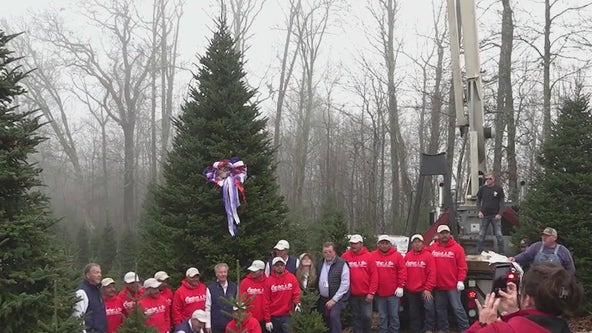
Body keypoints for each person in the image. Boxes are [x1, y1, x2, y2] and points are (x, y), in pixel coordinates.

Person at [466, 263, 583, 332]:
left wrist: (483, 324)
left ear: (527, 298)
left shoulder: (501, 330)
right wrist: (516, 313)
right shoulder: (562, 327)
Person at [429, 225, 470, 332]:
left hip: (453, 286)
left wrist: (460, 280)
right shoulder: (432, 248)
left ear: (450, 234)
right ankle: (444, 329)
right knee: (440, 309)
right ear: (437, 235)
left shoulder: (457, 248)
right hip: (438, 286)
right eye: (442, 233)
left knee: (457, 308)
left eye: (446, 233)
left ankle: (465, 329)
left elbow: (462, 267)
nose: (444, 235)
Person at [341, 234, 378, 333]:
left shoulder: (369, 257)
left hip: (366, 294)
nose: (354, 246)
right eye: (352, 244)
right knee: (355, 317)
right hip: (352, 294)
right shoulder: (345, 256)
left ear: (361, 244)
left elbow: (374, 276)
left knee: (366, 316)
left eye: (356, 244)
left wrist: (371, 292)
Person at [371, 235, 407, 333]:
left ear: (390, 244)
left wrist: (400, 286)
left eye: (386, 243)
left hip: (393, 293)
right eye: (382, 243)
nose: (384, 245)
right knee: (382, 316)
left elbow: (402, 272)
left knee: (394, 315)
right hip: (379, 293)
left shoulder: (397, 256)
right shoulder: (372, 256)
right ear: (378, 244)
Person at [404, 234, 436, 333]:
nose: (417, 244)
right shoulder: (407, 256)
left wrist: (428, 289)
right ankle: (415, 329)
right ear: (412, 244)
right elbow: (403, 272)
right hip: (411, 290)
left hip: (424, 290)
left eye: (419, 242)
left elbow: (432, 273)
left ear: (422, 243)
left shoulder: (428, 256)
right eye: (415, 242)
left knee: (429, 308)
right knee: (413, 311)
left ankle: (429, 328)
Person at [316, 242, 350, 333]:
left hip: (338, 298)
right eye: (325, 252)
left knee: (334, 316)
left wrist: (334, 300)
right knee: (323, 319)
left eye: (330, 251)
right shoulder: (320, 263)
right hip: (323, 298)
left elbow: (345, 284)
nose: (327, 254)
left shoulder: (342, 264)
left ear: (334, 252)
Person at [509, 227, 575, 273]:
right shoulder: (536, 246)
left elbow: (570, 269)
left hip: (555, 284)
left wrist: (566, 282)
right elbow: (525, 256)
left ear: (555, 238)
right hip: (537, 282)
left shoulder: (562, 250)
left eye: (548, 236)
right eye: (543, 235)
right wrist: (514, 258)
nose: (544, 237)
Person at [264, 257, 301, 333]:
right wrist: (267, 320)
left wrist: (298, 303)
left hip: (288, 315)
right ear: (273, 267)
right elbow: (265, 302)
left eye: (281, 265)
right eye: (277, 265)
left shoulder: (291, 278)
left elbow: (296, 293)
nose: (279, 267)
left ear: (285, 266)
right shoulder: (268, 281)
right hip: (274, 316)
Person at [476, 171, 505, 253]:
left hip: (495, 216)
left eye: (490, 178)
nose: (488, 180)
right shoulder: (482, 189)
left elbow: (502, 202)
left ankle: (501, 252)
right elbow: (478, 201)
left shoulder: (498, 189)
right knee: (481, 235)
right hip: (484, 215)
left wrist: (500, 213)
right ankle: (480, 252)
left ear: (493, 179)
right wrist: (479, 211)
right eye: (486, 178)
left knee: (499, 235)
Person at [74, 263, 107, 333]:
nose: (99, 275)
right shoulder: (81, 292)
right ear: (88, 275)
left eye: (100, 273)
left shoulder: (98, 290)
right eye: (96, 273)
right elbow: (78, 316)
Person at [206, 263, 238, 333]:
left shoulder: (234, 287)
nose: (223, 274)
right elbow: (207, 308)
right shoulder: (210, 288)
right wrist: (208, 325)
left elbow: (236, 306)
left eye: (224, 272)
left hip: (231, 324)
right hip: (216, 324)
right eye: (220, 272)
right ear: (216, 274)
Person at [239, 260, 268, 331]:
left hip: (264, 319)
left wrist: (268, 319)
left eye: (255, 271)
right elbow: (241, 300)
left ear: (262, 271)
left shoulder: (267, 282)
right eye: (251, 271)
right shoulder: (244, 282)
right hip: (249, 319)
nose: (252, 273)